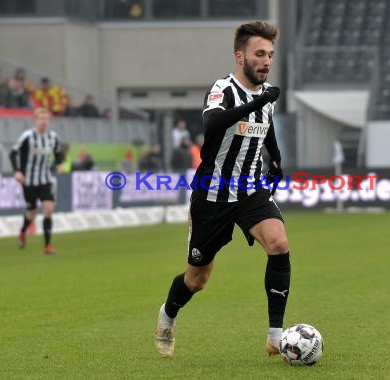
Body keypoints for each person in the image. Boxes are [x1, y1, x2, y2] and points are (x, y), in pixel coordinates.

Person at [154, 21, 288, 358]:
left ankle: (275, 335)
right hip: (213, 195)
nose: (266, 61)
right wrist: (259, 103)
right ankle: (168, 314)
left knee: (278, 242)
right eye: (260, 54)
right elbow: (211, 124)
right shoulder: (223, 89)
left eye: (270, 55)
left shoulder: (266, 95)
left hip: (250, 190)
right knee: (197, 279)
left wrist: (275, 158)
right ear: (240, 57)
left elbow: (265, 127)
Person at [9, 108, 65, 255]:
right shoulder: (27, 136)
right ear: (35, 120)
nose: (44, 122)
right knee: (32, 212)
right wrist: (18, 171)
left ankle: (47, 246)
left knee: (48, 209)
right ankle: (23, 231)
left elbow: (58, 153)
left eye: (46, 119)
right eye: (41, 119)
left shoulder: (53, 137)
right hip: (29, 181)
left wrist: (60, 164)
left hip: (45, 179)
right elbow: (13, 153)